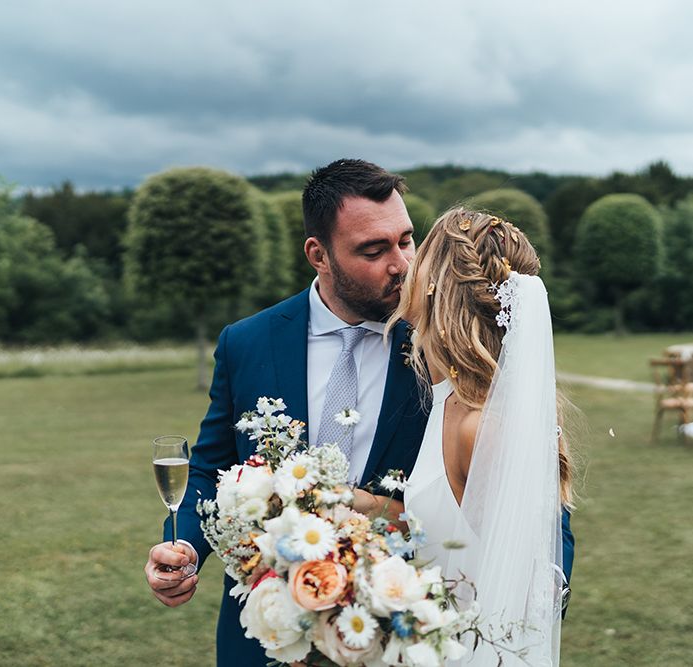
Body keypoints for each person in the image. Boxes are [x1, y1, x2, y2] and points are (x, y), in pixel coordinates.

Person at [144, 159, 432, 666]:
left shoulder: (440, 342)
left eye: (406, 240)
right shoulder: (246, 342)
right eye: (373, 249)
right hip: (267, 629)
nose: (402, 265)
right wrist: (185, 547)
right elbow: (214, 468)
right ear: (318, 254)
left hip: (396, 630)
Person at [382, 207, 575, 665]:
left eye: (421, 253)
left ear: (439, 289)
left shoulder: (482, 426)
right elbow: (458, 531)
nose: (408, 267)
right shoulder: (451, 399)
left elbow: (508, 587)